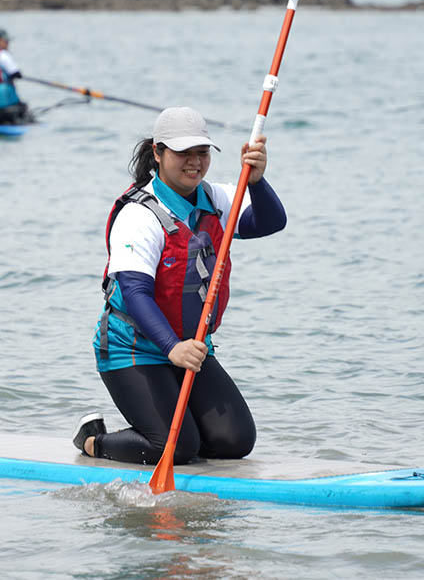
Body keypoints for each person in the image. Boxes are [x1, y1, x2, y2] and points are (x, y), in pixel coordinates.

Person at [73, 106, 287, 465]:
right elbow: (135, 294)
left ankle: (179, 427)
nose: (195, 162)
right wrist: (172, 347)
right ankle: (94, 440)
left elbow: (270, 222)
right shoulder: (138, 215)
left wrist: (257, 182)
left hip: (191, 348)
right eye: (183, 153)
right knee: (175, 449)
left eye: (202, 153)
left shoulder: (215, 199)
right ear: (157, 153)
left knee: (235, 442)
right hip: (133, 349)